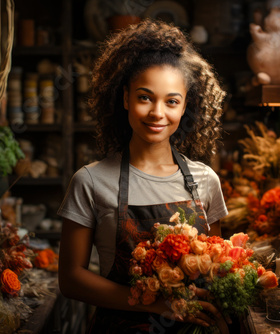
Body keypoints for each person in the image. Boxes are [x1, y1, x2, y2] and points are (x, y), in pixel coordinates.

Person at [58, 19, 230, 333]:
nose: (157, 113)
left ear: (184, 107)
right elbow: (71, 279)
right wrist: (157, 304)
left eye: (171, 101)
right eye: (145, 97)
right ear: (125, 98)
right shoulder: (91, 182)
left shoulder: (206, 181)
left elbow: (216, 267)